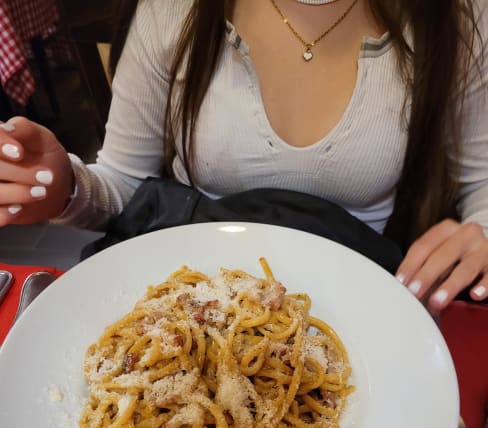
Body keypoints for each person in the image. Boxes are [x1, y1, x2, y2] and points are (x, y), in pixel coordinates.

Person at [0, 0, 487, 312]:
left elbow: (481, 187)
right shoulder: (172, 10)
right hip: (190, 298)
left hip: (362, 300)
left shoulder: (462, 18)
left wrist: (481, 232)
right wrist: (65, 190)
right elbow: (125, 183)